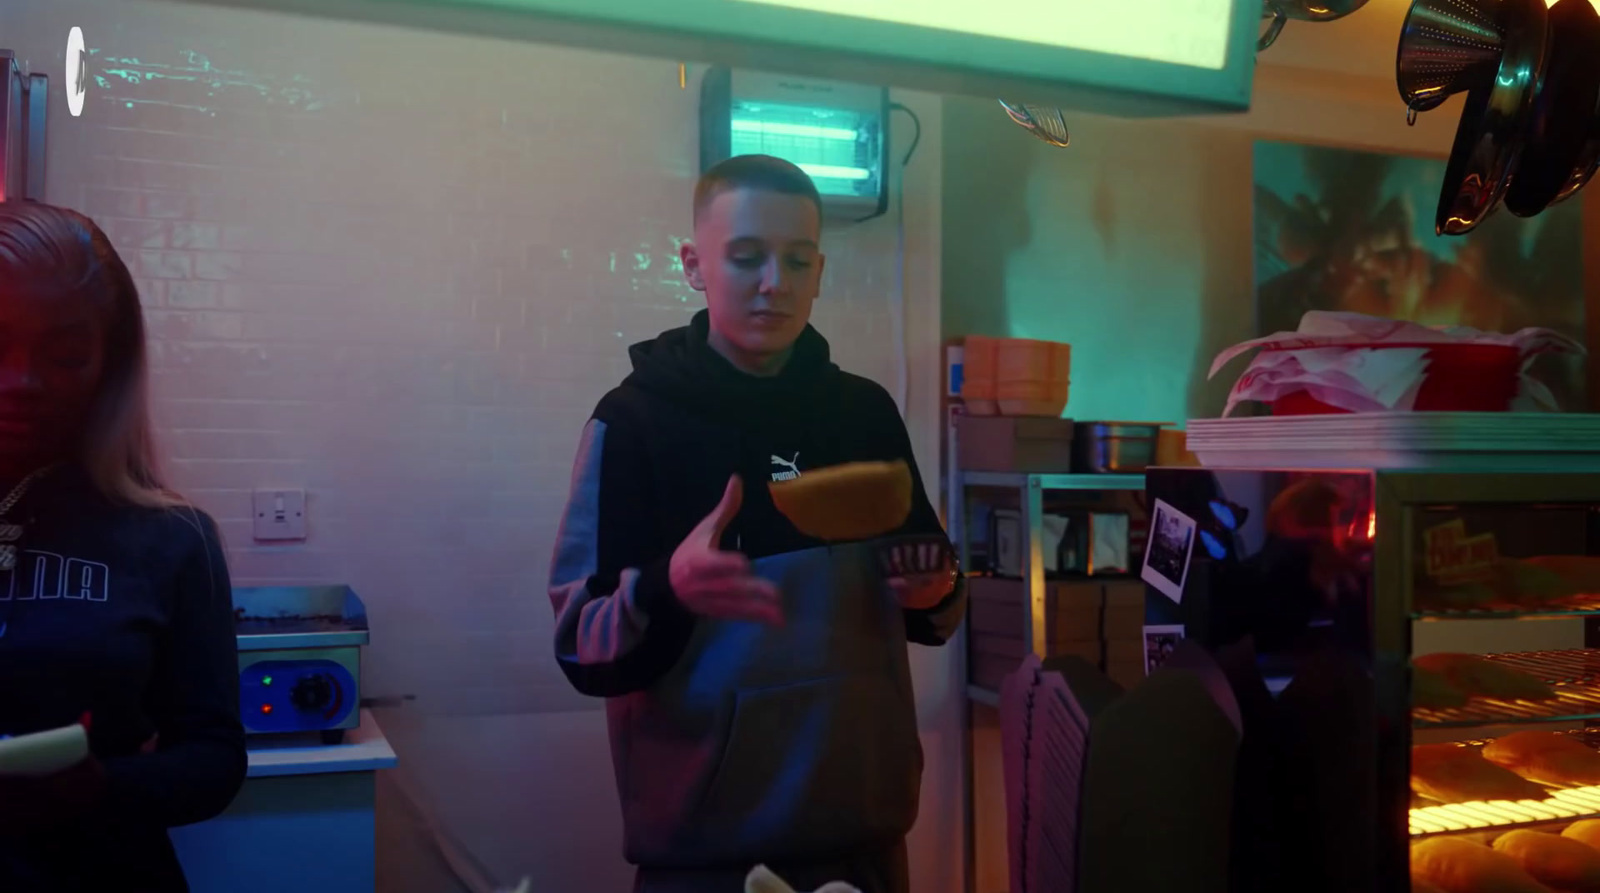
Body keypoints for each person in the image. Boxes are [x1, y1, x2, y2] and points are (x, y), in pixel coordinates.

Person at [548, 155, 966, 893]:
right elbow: (583, 648)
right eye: (746, 257)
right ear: (694, 265)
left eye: (797, 260)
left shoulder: (864, 413)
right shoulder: (635, 422)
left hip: (865, 840)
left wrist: (934, 587)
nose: (774, 282)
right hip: (703, 858)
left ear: (818, 270)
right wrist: (667, 590)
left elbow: (935, 604)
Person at [0, 202, 246, 891]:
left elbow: (216, 758)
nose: (22, 381)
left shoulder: (172, 538)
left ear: (110, 362)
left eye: (65, 354)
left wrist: (100, 785)